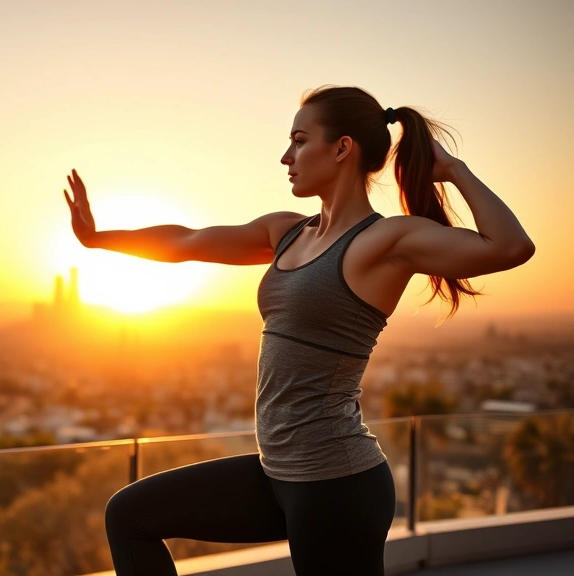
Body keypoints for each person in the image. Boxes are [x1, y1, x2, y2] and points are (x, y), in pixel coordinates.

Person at [62, 85, 535, 576]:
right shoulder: (286, 231)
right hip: (276, 473)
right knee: (129, 515)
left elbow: (510, 248)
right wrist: (99, 239)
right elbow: (186, 240)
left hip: (336, 482)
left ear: (342, 148)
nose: (286, 156)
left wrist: (454, 171)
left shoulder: (385, 240)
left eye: (299, 140)